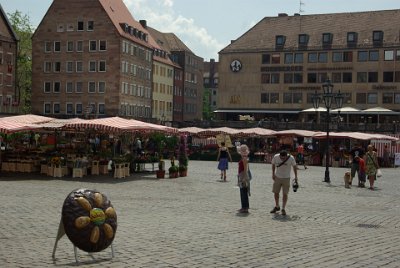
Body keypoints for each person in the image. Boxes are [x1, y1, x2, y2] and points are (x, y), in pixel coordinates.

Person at [270, 150, 298, 216]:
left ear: (286, 156)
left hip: (286, 178)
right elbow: (273, 164)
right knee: (276, 192)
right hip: (277, 177)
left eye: (284, 158)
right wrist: (273, 174)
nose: (282, 159)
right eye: (281, 158)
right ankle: (277, 206)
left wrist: (296, 176)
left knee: (285, 193)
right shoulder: (276, 157)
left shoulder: (291, 158)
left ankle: (283, 208)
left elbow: (294, 166)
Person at [237, 144, 250, 213]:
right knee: (242, 192)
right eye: (241, 151)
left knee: (243, 192)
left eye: (243, 151)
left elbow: (245, 169)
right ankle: (244, 207)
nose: (242, 152)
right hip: (241, 175)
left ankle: (245, 207)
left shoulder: (244, 158)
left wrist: (244, 178)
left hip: (243, 175)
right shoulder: (244, 157)